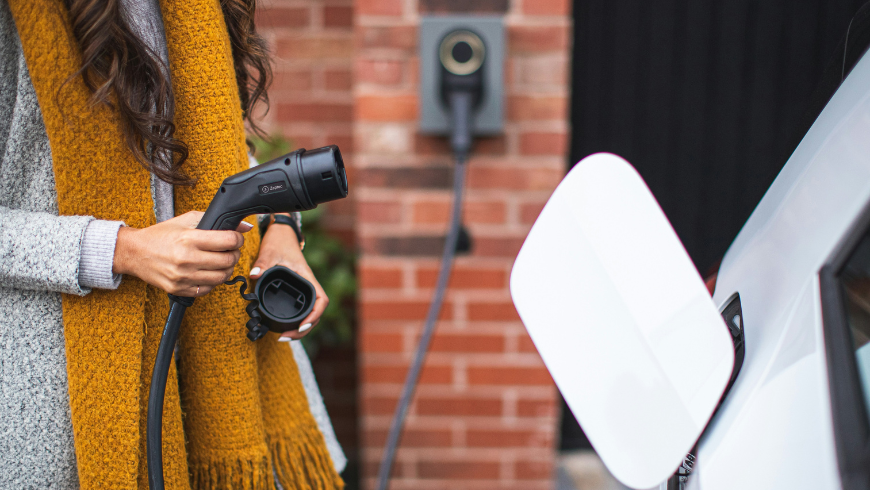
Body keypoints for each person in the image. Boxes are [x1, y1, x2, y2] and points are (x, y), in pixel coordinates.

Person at [0, 0, 344, 488]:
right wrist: (122, 250)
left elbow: (226, 150)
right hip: (69, 399)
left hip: (227, 368)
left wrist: (282, 230)